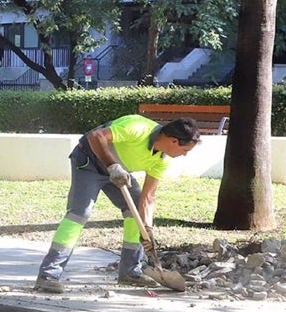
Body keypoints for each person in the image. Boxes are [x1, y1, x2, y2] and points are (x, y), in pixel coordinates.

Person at [35, 115, 201, 292]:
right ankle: (48, 275)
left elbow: (148, 197)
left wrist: (147, 229)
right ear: (174, 141)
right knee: (79, 214)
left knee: (135, 209)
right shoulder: (137, 127)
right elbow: (95, 136)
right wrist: (112, 166)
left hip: (119, 172)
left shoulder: (160, 159)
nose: (184, 155)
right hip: (89, 162)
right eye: (185, 151)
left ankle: (130, 272)